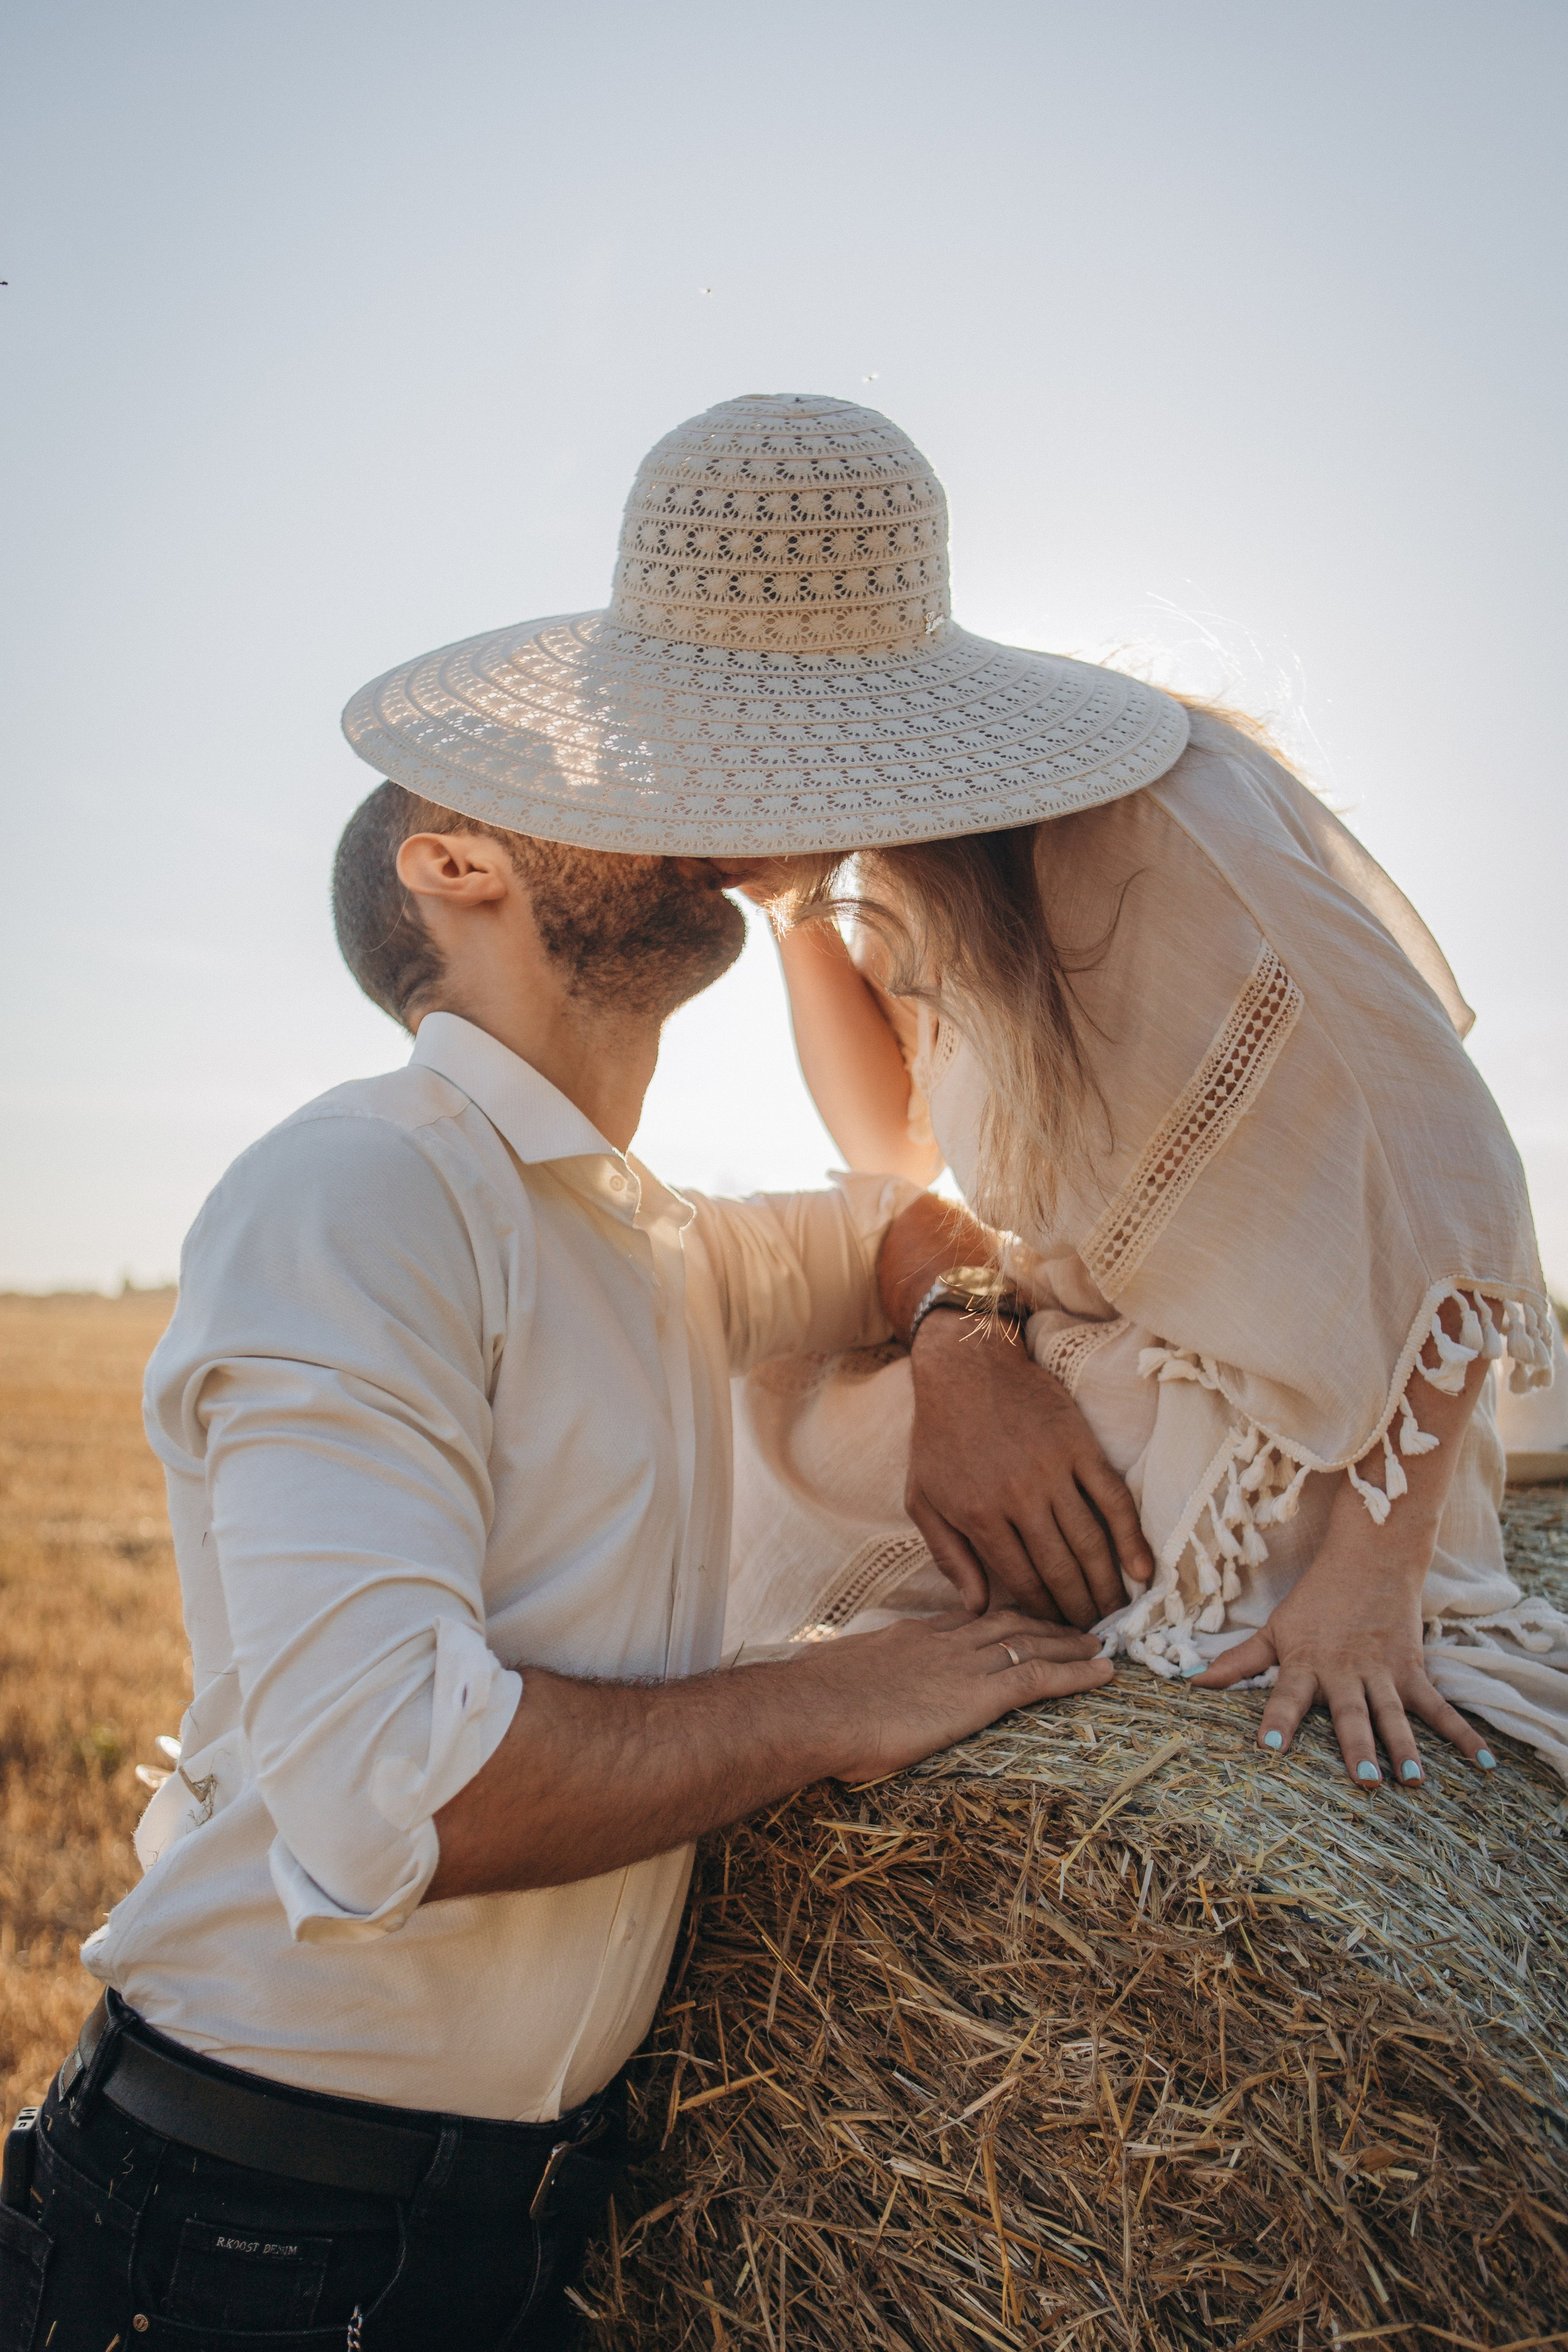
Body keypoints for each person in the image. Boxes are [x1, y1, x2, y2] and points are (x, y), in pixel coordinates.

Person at [0, 456, 1128, 2339]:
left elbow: (905, 1226)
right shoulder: (368, 1185)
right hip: (242, 2237)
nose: (680, 800)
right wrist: (838, 1698)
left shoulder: (650, 1235)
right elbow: (395, 1787)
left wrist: (969, 1337)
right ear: (459, 862)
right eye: (603, 779)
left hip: (511, 2228)